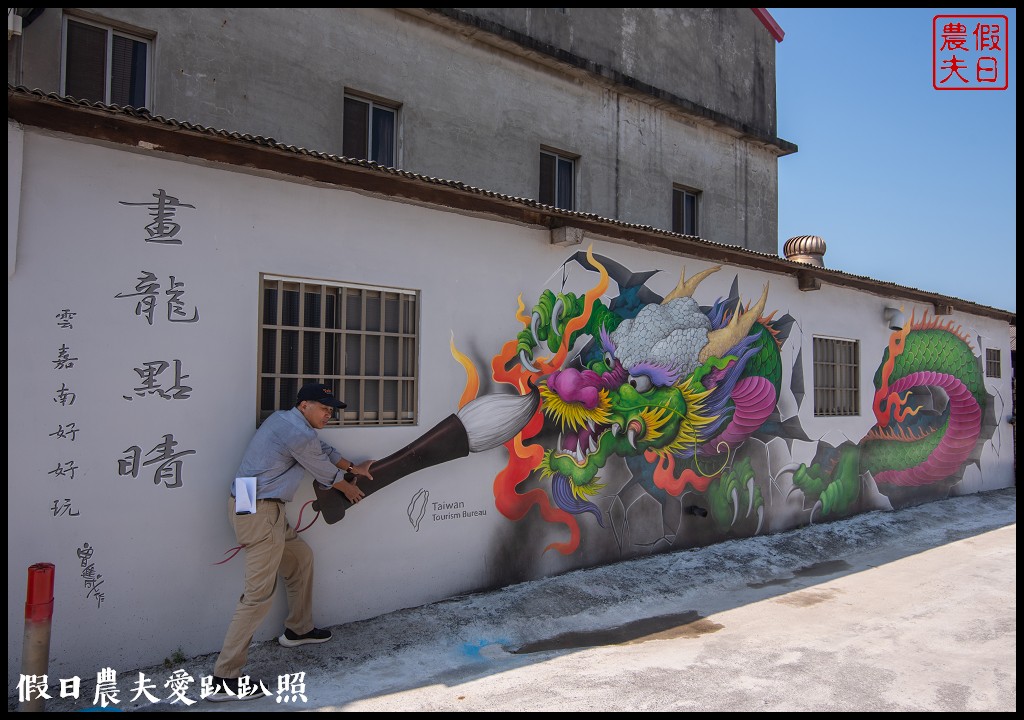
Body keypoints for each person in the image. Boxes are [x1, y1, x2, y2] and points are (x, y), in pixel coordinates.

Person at [208, 382, 374, 702]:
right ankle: (224, 679)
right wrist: (348, 487)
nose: (329, 414)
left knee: (300, 558)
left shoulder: (282, 421)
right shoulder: (298, 434)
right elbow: (324, 471)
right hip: (261, 509)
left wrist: (352, 467)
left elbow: (323, 451)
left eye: (331, 410)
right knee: (258, 594)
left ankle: (298, 629)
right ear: (304, 405)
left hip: (248, 500)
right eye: (324, 408)